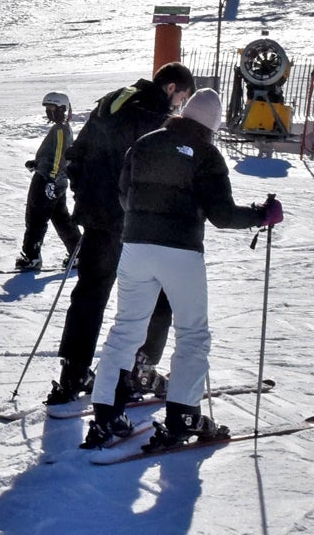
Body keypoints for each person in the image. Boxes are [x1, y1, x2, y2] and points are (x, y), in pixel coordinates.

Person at [83, 89, 282, 449]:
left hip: (136, 247)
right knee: (192, 333)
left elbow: (124, 195)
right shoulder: (206, 153)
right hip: (180, 252)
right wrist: (260, 215)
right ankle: (183, 416)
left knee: (126, 328)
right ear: (211, 125)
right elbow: (221, 215)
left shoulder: (143, 144)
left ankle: (107, 414)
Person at [45, 62, 195, 406]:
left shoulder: (113, 99)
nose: (180, 106)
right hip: (134, 222)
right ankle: (141, 368)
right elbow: (156, 171)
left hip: (98, 215)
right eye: (182, 97)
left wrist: (85, 196)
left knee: (91, 292)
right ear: (171, 88)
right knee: (159, 292)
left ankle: (74, 370)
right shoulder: (156, 114)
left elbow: (77, 154)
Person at [15, 92, 82, 271]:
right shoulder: (62, 128)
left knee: (36, 217)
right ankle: (79, 253)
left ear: (62, 109)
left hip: (47, 181)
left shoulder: (60, 129)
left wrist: (50, 178)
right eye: (47, 109)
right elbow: (55, 155)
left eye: (52, 109)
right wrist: (38, 163)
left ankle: (31, 256)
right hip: (54, 179)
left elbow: (60, 155)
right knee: (61, 218)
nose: (49, 112)